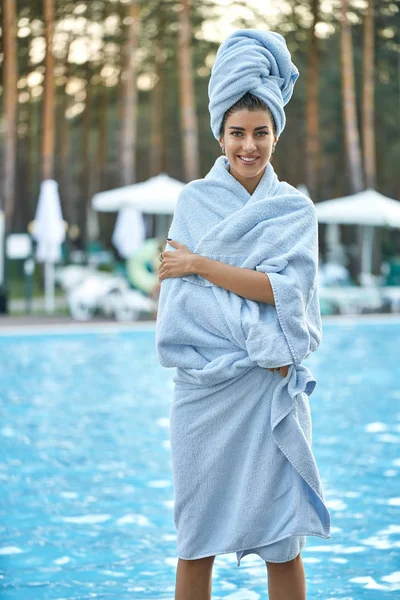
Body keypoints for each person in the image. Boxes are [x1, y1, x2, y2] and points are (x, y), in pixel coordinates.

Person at [156, 30, 331, 600]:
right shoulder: (194, 202)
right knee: (195, 539)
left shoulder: (293, 209)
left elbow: (292, 297)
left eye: (261, 133)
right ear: (221, 135)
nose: (248, 146)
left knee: (283, 541)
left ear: (276, 135)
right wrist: (261, 329)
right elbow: (182, 310)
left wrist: (202, 264)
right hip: (205, 394)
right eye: (237, 133)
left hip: (270, 398)